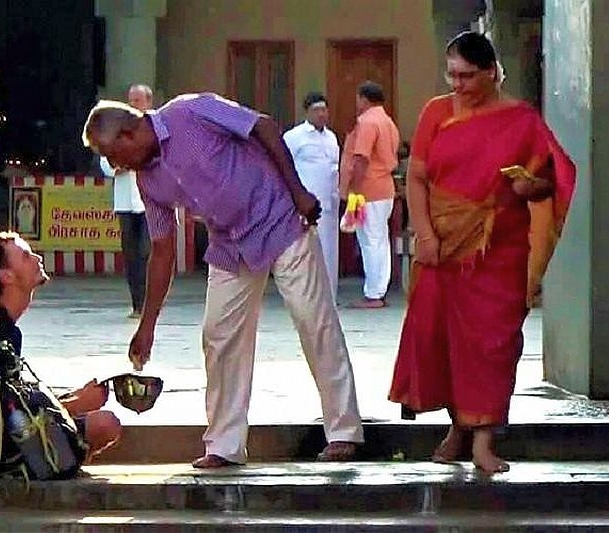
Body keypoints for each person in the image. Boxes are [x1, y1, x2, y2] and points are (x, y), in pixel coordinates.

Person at [82, 93, 364, 468]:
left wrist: (298, 192)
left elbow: (263, 126)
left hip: (279, 218)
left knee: (315, 322)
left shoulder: (190, 110)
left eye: (112, 154)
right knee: (219, 336)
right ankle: (225, 445)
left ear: (129, 134)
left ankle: (344, 432)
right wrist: (147, 326)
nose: (114, 165)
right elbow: (162, 251)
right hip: (230, 243)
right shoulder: (147, 182)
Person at [388, 32, 575, 473]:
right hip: (441, 246)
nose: (458, 84)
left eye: (467, 76)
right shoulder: (436, 112)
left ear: (491, 72)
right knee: (442, 339)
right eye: (452, 75)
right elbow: (417, 179)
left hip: (498, 250)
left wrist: (531, 187)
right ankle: (458, 426)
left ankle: (484, 441)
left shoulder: (521, 119)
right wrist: (425, 235)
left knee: (493, 344)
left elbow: (552, 180)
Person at [0, 232, 122, 460]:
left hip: (19, 429)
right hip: (5, 448)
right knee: (105, 424)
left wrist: (75, 397)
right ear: (7, 276)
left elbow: (20, 398)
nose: (37, 258)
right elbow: (10, 416)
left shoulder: (8, 328)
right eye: (26, 256)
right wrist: (77, 404)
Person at [340, 81, 400, 309]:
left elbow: (361, 158)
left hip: (368, 189)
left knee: (369, 241)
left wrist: (355, 190)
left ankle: (373, 294)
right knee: (379, 240)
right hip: (384, 188)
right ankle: (378, 290)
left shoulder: (367, 122)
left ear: (363, 98)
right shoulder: (388, 122)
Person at [100, 84, 153, 319]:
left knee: (147, 252)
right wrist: (117, 165)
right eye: (131, 100)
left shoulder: (156, 126)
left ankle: (151, 303)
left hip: (150, 202)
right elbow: (105, 160)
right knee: (131, 255)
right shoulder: (115, 127)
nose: (133, 104)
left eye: (138, 100)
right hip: (125, 202)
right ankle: (137, 304)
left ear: (148, 102)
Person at [283, 91, 341, 301]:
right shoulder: (294, 137)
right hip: (306, 205)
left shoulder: (331, 137)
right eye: (317, 110)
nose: (321, 114)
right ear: (306, 112)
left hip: (329, 204)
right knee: (305, 251)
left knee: (329, 251)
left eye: (324, 110)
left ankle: (329, 296)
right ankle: (307, 298)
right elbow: (284, 167)